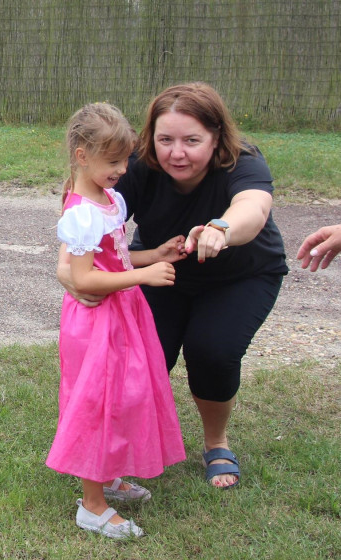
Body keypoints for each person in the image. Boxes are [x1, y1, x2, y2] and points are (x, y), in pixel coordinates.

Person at [58, 82, 287, 489]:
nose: (176, 152)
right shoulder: (136, 164)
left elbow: (253, 208)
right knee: (138, 359)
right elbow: (84, 210)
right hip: (162, 268)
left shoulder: (244, 161)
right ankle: (118, 449)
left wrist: (222, 228)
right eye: (165, 139)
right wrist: (66, 271)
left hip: (240, 275)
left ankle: (216, 443)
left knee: (211, 350)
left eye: (192, 140)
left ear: (217, 138)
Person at [47, 103, 186, 540]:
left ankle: (108, 476)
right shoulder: (81, 212)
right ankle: (92, 505)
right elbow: (86, 276)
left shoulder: (110, 200)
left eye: (125, 159)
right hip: (95, 321)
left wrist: (154, 254)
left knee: (125, 397)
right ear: (82, 155)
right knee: (97, 404)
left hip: (121, 314)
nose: (122, 169)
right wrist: (143, 276)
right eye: (113, 161)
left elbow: (117, 256)